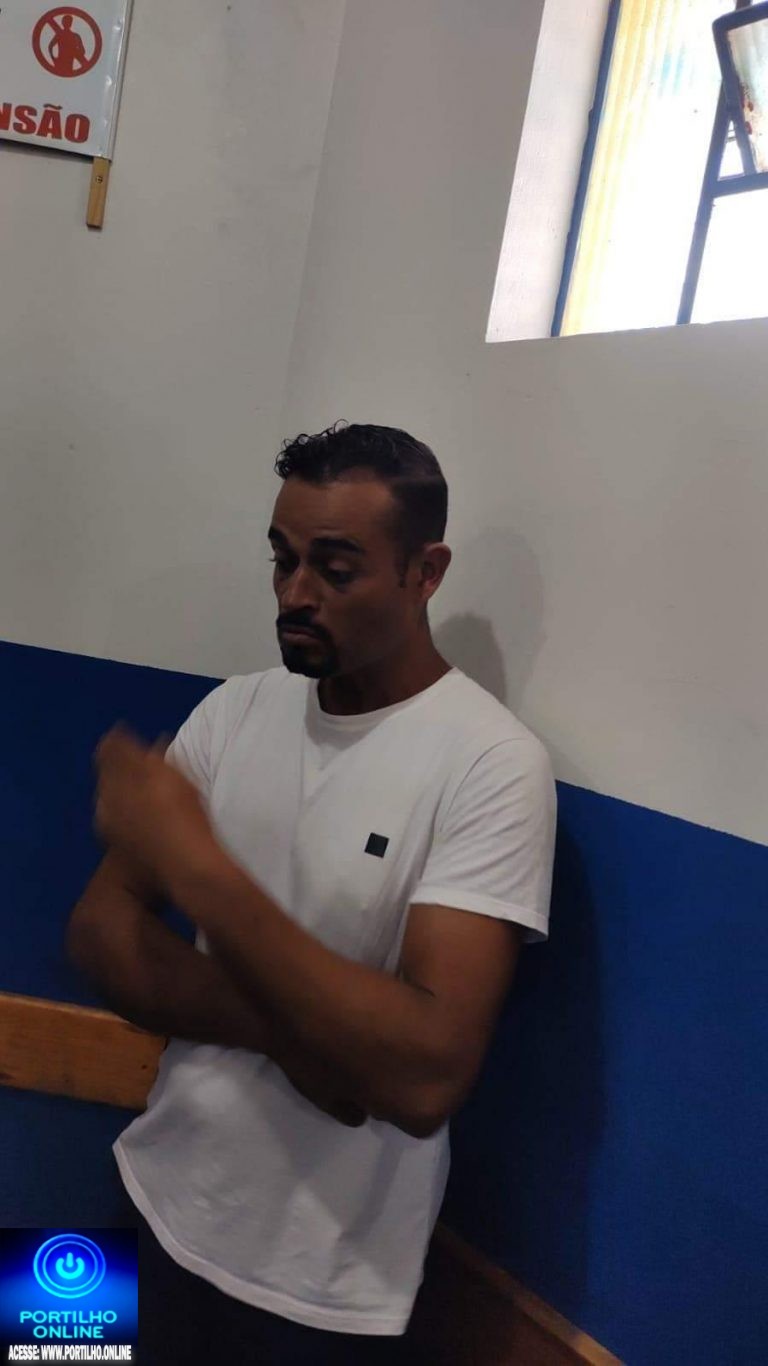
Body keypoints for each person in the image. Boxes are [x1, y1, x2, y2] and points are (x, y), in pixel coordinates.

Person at [67, 422, 557, 1363]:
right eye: (282, 560)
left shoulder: (492, 765)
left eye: (335, 570)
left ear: (425, 572)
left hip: (321, 1294)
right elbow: (97, 932)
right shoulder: (235, 707)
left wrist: (197, 871)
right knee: (40, 1345)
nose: (295, 594)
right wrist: (295, 1039)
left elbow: (424, 1077)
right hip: (148, 1192)